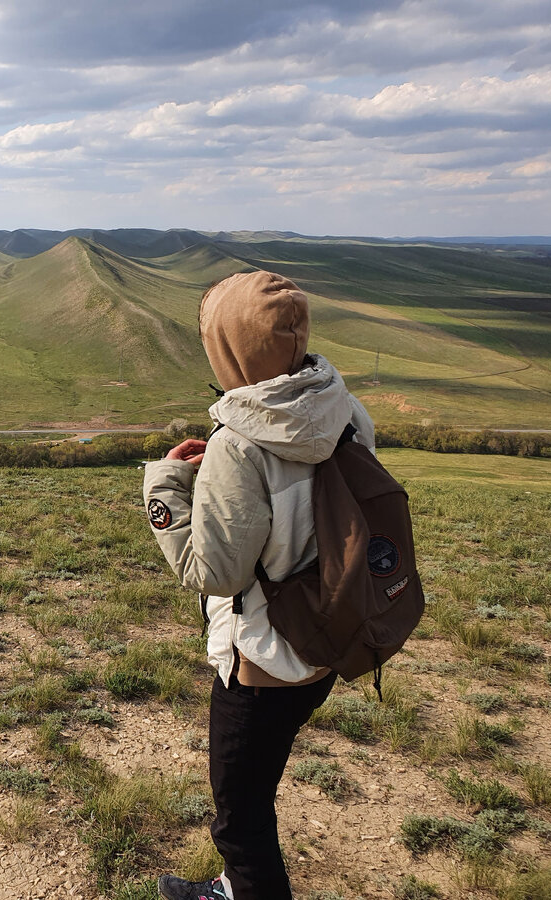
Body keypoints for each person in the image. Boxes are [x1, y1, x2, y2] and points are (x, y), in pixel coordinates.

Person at [142, 270, 375, 900]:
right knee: (257, 790)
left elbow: (213, 572)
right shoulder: (346, 410)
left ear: (230, 349)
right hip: (326, 637)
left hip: (262, 659)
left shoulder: (238, 445)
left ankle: (242, 890)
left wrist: (165, 487)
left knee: (241, 816)